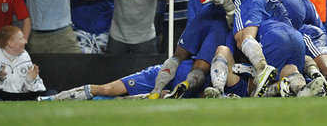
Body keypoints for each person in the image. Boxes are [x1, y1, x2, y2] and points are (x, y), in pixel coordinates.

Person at [37, 59, 205, 101]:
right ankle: (54, 98)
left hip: (172, 94)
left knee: (114, 100)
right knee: (105, 90)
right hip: (158, 74)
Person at [0, 26, 57, 101]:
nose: (25, 41)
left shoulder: (26, 60)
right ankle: (0, 105)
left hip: (22, 96)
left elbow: (40, 89)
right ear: (10, 43)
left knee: (52, 93)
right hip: (1, 96)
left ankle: (34, 103)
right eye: (21, 39)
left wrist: (30, 80)